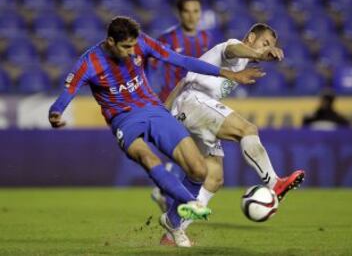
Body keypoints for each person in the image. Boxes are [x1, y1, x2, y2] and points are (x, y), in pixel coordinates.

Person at [48, 16, 265, 243]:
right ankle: (190, 202)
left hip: (154, 110)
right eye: (126, 47)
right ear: (111, 42)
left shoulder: (141, 42)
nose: (132, 52)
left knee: (199, 170)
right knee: (147, 157)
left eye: (134, 45)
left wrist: (227, 73)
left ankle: (172, 222)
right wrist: (56, 111)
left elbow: (181, 60)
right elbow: (67, 92)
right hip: (124, 120)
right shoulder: (90, 62)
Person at [154, 23, 306, 247]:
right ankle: (274, 183)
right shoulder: (233, 47)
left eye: (270, 46)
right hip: (194, 102)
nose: (267, 49)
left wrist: (165, 111)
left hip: (190, 107)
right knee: (247, 130)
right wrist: (258, 53)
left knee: (213, 178)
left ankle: (174, 227)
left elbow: (184, 80)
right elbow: (233, 49)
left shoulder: (243, 63)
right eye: (265, 43)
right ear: (251, 37)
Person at [148, 0, 214, 102]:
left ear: (201, 13)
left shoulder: (208, 38)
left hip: (200, 100)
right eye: (186, 11)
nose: (191, 17)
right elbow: (152, 68)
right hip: (171, 100)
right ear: (179, 13)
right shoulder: (167, 38)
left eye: (195, 11)